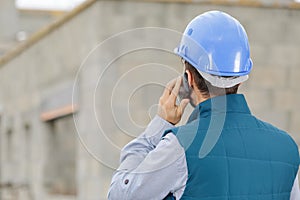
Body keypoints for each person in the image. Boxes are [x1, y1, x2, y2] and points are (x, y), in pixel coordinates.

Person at [108, 11, 300, 200]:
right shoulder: (287, 148)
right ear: (240, 79)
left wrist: (160, 125)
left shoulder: (179, 147)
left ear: (189, 78)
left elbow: (120, 194)